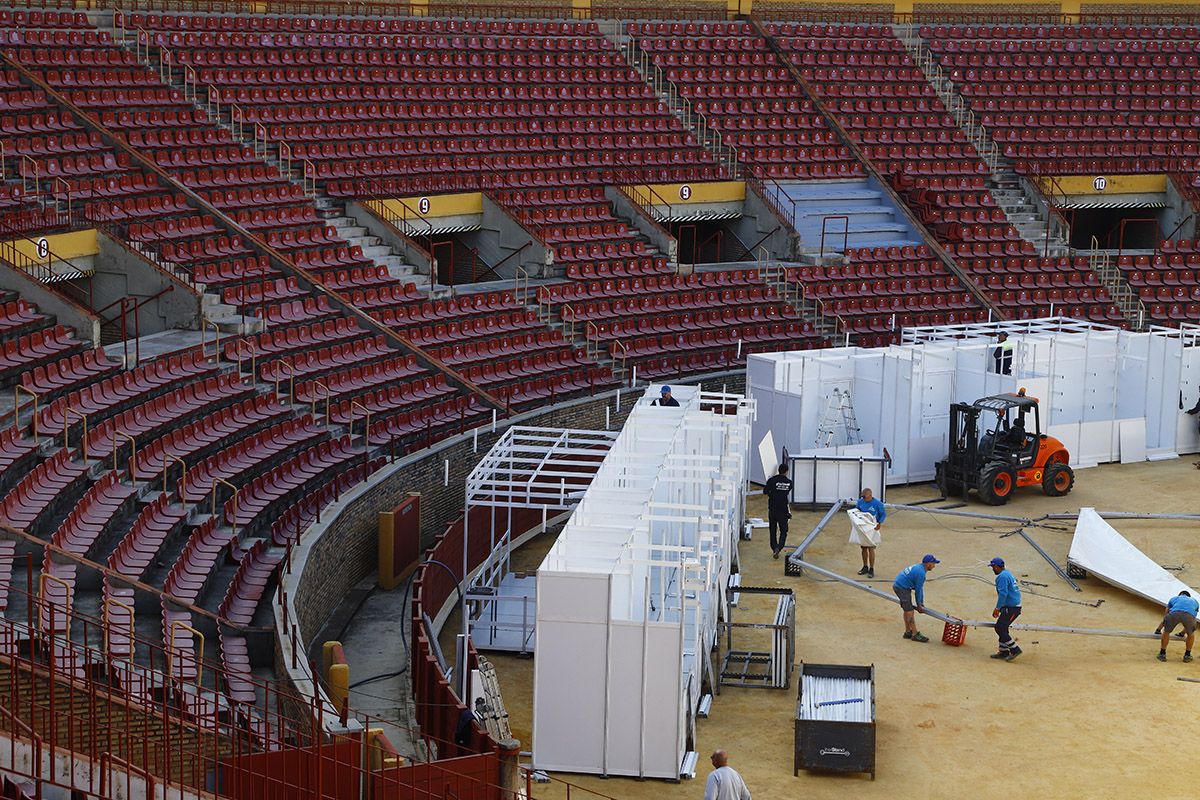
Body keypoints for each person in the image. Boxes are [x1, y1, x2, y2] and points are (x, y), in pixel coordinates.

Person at [892, 555, 939, 642]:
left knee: (907, 609)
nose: (934, 566)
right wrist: (919, 605)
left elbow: (920, 588)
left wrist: (921, 602)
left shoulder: (919, 568)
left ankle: (908, 631)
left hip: (900, 586)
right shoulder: (921, 573)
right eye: (933, 563)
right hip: (902, 588)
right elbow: (918, 590)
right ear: (928, 564)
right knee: (909, 611)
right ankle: (915, 634)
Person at [989, 557, 1023, 661]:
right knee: (1003, 627)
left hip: (1012, 607)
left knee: (999, 628)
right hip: (1012, 606)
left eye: (993, 567)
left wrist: (997, 608)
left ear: (996, 566)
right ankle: (1003, 651)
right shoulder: (1007, 573)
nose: (992, 569)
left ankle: (1015, 649)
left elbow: (1003, 594)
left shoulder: (1002, 577)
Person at [1155, 590, 1198, 662]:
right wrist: (1182, 633)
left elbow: (1166, 615)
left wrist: (1158, 630)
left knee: (1166, 632)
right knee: (1191, 634)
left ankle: (1162, 654)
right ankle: (1187, 655)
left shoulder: (1174, 598)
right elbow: (1193, 617)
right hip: (1189, 616)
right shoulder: (1194, 601)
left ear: (1180, 595)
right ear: (1188, 596)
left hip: (1174, 613)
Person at [853, 487, 886, 578]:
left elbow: (883, 514)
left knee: (871, 548)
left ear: (870, 495)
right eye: (862, 497)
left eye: (865, 497)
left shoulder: (878, 504)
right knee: (863, 547)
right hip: (863, 527)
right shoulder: (860, 502)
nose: (863, 498)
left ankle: (871, 568)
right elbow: (857, 511)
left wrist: (879, 523)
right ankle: (865, 566)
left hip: (873, 527)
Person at [763, 463, 793, 559]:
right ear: (786, 471)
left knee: (772, 530)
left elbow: (765, 491)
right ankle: (779, 547)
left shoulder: (772, 480)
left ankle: (774, 547)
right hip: (783, 510)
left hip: (772, 509)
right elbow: (787, 491)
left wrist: (772, 493)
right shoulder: (789, 483)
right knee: (783, 530)